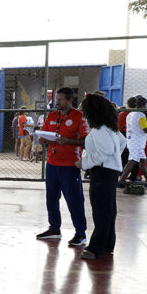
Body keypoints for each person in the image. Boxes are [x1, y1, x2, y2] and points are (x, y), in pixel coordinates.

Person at [36, 87, 89, 247]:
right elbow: (43, 134)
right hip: (52, 164)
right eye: (56, 99)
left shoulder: (79, 117)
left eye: (60, 99)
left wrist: (69, 141)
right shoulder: (52, 116)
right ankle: (54, 229)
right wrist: (43, 139)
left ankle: (80, 234)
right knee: (51, 198)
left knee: (74, 200)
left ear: (70, 100)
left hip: (70, 165)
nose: (56, 102)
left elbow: (86, 141)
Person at [78, 92, 126, 260]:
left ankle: (96, 247)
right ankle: (107, 244)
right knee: (109, 210)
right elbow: (122, 143)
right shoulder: (110, 129)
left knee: (101, 211)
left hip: (102, 173)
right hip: (111, 171)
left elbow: (103, 154)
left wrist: (83, 163)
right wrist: (115, 159)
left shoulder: (99, 130)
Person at [119, 95, 147, 186]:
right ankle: (122, 180)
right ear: (144, 105)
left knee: (143, 160)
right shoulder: (141, 115)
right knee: (132, 160)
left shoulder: (130, 113)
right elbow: (145, 129)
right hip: (137, 142)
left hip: (132, 140)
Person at [118, 97, 135, 168]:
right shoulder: (136, 114)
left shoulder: (122, 113)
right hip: (133, 135)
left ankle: (121, 170)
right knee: (130, 154)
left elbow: (118, 126)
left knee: (123, 153)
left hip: (123, 134)